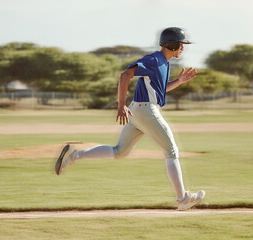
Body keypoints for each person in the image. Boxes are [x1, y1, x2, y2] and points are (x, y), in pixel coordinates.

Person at [55, 27, 205, 211]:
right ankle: (183, 199)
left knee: (120, 151)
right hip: (146, 111)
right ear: (173, 44)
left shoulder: (163, 63)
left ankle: (73, 155)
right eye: (181, 44)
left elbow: (159, 89)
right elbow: (125, 75)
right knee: (171, 150)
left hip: (138, 111)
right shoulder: (153, 60)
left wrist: (179, 82)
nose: (183, 48)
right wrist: (120, 105)